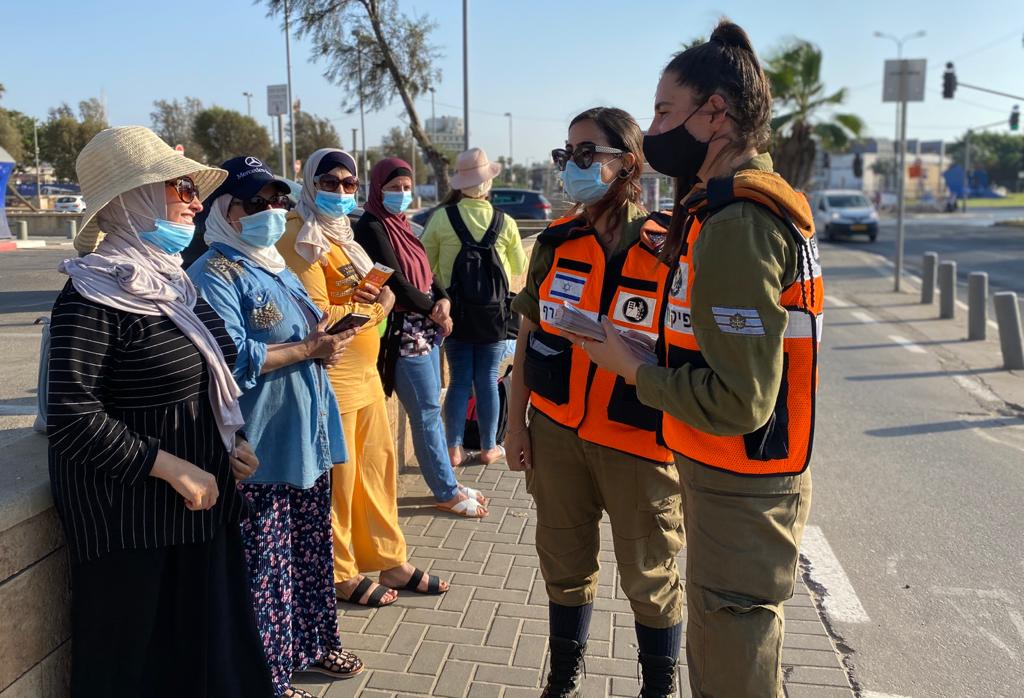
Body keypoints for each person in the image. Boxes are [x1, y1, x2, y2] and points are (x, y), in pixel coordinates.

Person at [578, 21, 823, 698]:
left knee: (731, 661)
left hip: (742, 481)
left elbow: (742, 400)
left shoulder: (737, 224)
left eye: (662, 111)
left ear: (715, 114)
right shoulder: (721, 210)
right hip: (729, 477)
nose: (652, 129)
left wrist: (631, 370)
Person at [49, 126, 274, 697]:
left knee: (207, 664)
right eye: (182, 189)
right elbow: (72, 412)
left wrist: (233, 444)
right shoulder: (92, 293)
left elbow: (215, 374)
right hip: (134, 527)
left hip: (200, 510)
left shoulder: (173, 287)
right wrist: (170, 467)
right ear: (134, 198)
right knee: (140, 669)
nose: (196, 205)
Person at [505, 108, 684, 698]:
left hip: (640, 444)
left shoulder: (670, 250)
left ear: (626, 163)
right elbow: (528, 340)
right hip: (557, 434)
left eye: (587, 154)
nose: (572, 167)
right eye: (566, 155)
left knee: (650, 579)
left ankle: (657, 688)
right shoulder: (555, 244)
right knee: (563, 565)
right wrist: (516, 423)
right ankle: (563, 680)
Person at [187, 155, 364, 698]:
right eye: (255, 202)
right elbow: (230, 354)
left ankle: (312, 642)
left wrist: (322, 345)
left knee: (309, 548)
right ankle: (269, 673)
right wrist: (310, 347)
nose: (272, 210)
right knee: (266, 563)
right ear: (224, 210)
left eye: (278, 201)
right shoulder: (213, 271)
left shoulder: (273, 263)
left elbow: (301, 329)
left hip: (305, 431)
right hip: (260, 440)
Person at [277, 148, 450, 607]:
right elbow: (321, 314)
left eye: (348, 184)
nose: (339, 192)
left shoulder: (345, 237)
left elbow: (381, 294)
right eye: (329, 183)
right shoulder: (301, 237)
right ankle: (340, 572)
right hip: (331, 382)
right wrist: (376, 308)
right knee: (339, 481)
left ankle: (390, 559)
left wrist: (373, 307)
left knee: (377, 472)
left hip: (367, 377)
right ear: (311, 186)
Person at [354, 157, 490, 518]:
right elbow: (393, 280)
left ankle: (448, 480)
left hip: (426, 329)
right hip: (403, 334)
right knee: (426, 413)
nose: (401, 194)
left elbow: (426, 271)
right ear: (377, 189)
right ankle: (444, 490)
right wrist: (434, 309)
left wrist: (442, 298)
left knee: (432, 408)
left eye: (406, 188)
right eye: (394, 188)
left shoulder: (404, 225)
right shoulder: (371, 226)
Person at [422, 147, 527, 467]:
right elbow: (519, 266)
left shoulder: (441, 217)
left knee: (458, 380)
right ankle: (487, 447)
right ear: (487, 184)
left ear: (460, 183)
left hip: (455, 315)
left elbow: (427, 267)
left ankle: (453, 448)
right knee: (487, 381)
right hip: (493, 316)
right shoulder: (504, 221)